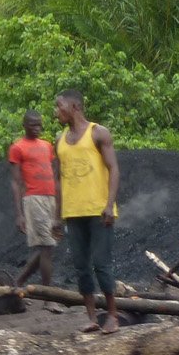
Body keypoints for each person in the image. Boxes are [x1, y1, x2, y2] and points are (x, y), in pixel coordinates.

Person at [52, 89, 121, 333]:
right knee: (81, 266)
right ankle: (91, 317)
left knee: (101, 263)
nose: (56, 111)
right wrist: (57, 216)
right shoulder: (59, 141)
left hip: (98, 211)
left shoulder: (98, 133)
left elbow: (114, 169)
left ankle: (112, 315)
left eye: (59, 106)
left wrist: (109, 205)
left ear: (75, 107)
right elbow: (58, 181)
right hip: (73, 212)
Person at [8, 110, 58, 286]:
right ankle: (48, 296)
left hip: (50, 198)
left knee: (47, 246)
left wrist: (59, 204)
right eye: (33, 125)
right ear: (24, 125)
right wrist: (19, 214)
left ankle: (19, 281)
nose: (37, 128)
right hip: (33, 198)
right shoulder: (17, 148)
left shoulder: (47, 146)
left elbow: (54, 174)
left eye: (39, 124)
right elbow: (16, 182)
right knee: (46, 246)